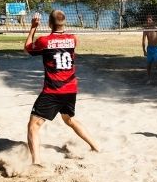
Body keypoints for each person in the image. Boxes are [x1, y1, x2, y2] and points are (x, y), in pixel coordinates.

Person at [23, 10, 100, 166]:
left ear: (50, 23)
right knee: (69, 119)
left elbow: (27, 48)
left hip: (53, 90)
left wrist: (33, 27)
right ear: (64, 22)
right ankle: (96, 147)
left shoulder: (44, 41)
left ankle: (37, 161)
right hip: (71, 88)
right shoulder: (73, 39)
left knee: (33, 125)